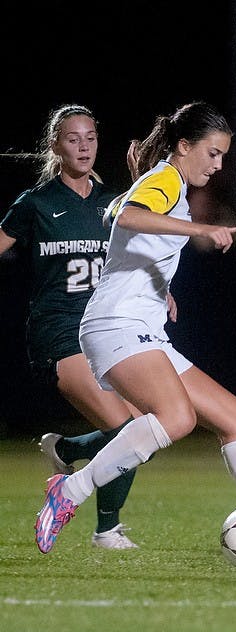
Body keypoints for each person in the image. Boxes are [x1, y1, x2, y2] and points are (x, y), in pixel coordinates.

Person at [33, 101, 236, 556]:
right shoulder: (166, 178)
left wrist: (158, 286)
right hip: (115, 324)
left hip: (141, 325)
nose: (219, 165)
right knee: (176, 418)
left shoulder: (170, 182)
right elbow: (119, 216)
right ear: (184, 146)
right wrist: (202, 230)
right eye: (213, 153)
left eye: (223, 156)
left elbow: (127, 230)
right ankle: (70, 491)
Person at [1, 104, 146, 549]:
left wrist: (162, 292)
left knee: (148, 426)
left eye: (90, 138)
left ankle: (67, 451)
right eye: (72, 138)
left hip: (105, 329)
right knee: (126, 429)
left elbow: (131, 260)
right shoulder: (37, 203)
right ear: (55, 146)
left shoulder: (111, 203)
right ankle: (107, 530)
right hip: (57, 330)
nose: (83, 147)